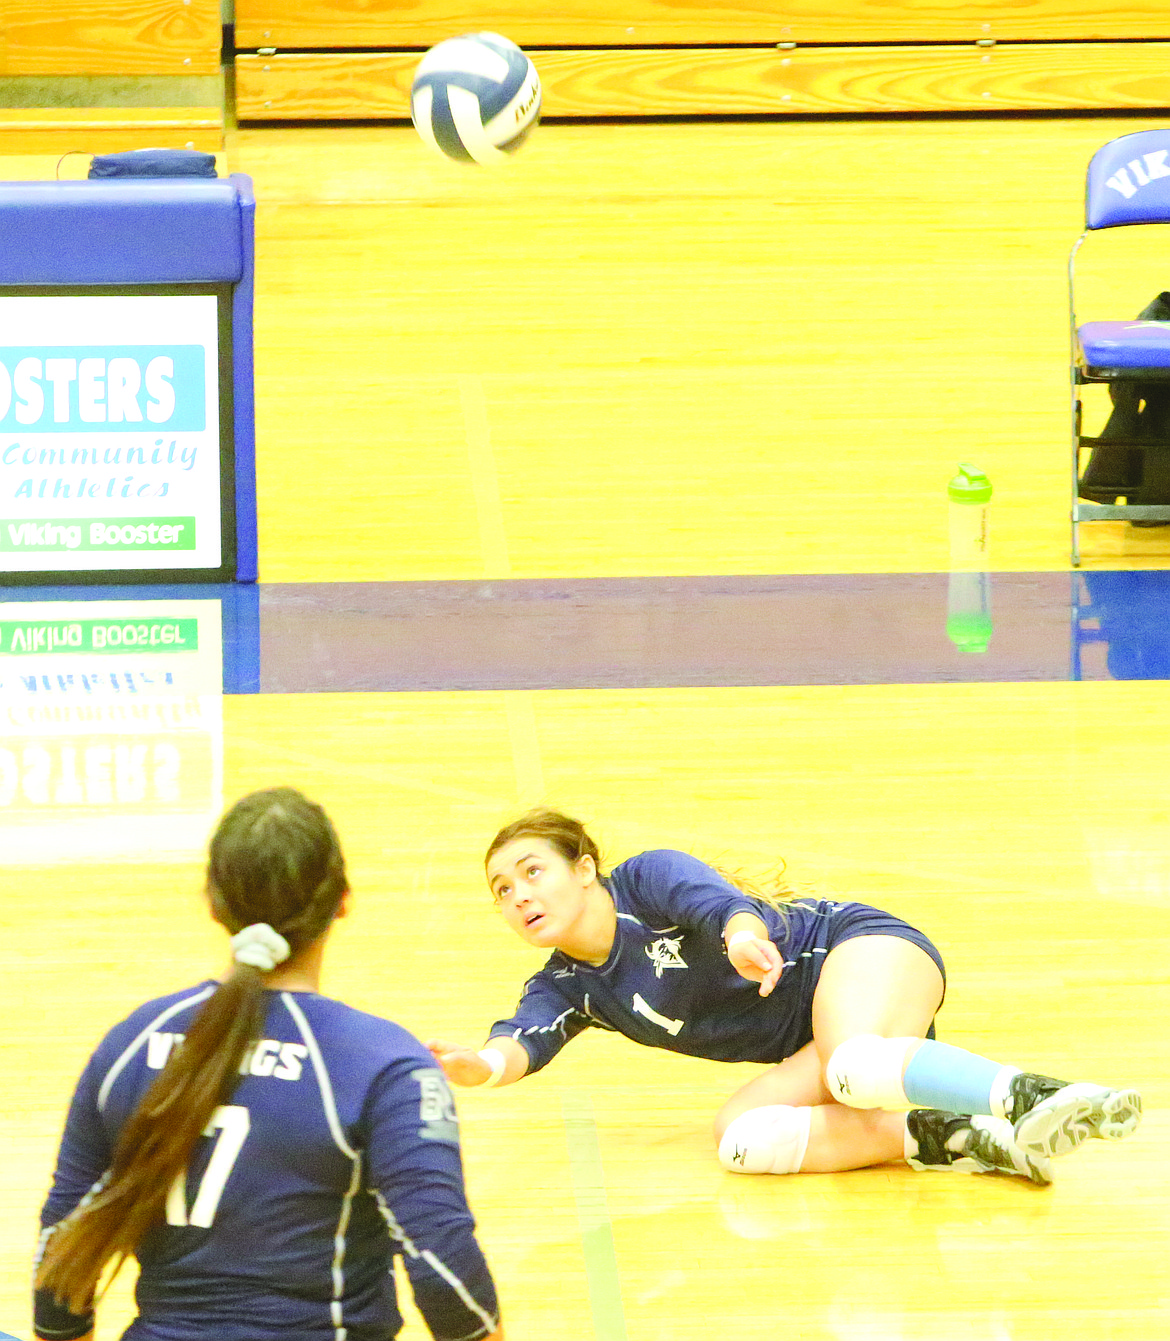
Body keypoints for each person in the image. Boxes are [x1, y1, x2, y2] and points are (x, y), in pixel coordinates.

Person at [429, 808, 1141, 1186]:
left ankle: (1036, 1095)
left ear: (584, 869)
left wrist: (741, 933)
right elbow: (519, 1040)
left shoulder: (644, 880)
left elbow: (718, 904)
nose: (519, 893)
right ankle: (982, 1140)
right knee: (741, 1137)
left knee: (853, 1066)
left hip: (861, 950)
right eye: (502, 889)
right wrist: (479, 1067)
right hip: (819, 1042)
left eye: (531, 871)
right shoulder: (568, 986)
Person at [34, 787, 503, 1341]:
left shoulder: (132, 1046)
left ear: (213, 902)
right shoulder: (383, 1066)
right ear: (343, 901)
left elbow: (59, 1270)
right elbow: (446, 1273)